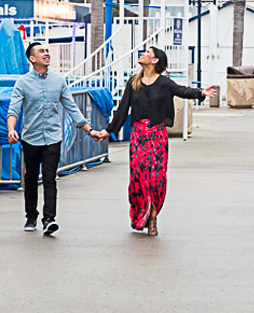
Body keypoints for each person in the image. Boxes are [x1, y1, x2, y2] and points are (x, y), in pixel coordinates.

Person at [91, 47, 217, 236]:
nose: (143, 54)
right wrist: (108, 131)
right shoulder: (134, 82)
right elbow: (123, 109)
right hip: (138, 137)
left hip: (157, 135)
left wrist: (200, 93)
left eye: (148, 52)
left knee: (157, 179)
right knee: (138, 180)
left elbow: (181, 90)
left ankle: (152, 217)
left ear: (156, 60)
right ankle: (140, 214)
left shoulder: (165, 83)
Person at [7, 42, 104, 236]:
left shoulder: (58, 81)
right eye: (41, 52)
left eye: (47, 51)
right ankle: (31, 216)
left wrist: (89, 130)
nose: (46, 54)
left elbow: (71, 108)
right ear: (32, 59)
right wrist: (11, 129)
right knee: (31, 178)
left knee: (50, 178)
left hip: (52, 137)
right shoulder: (23, 82)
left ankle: (49, 219)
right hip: (31, 138)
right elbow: (14, 109)